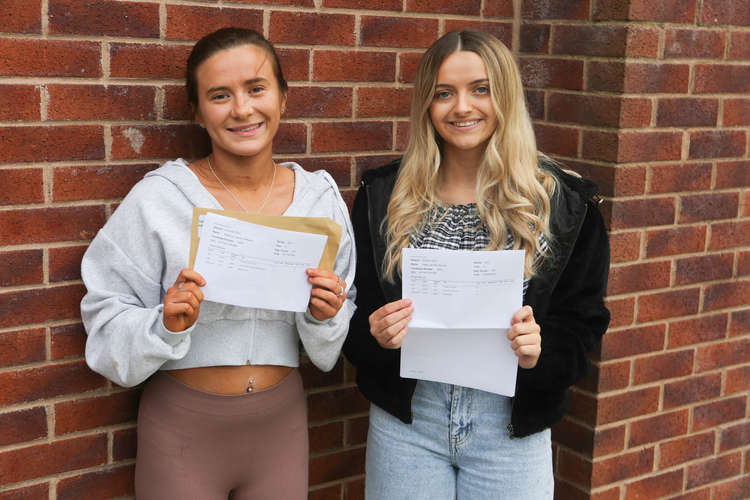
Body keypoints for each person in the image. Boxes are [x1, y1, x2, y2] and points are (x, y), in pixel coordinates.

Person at [80, 27, 355, 499]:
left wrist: (324, 315)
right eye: (220, 95)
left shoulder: (319, 202)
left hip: (280, 427)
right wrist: (164, 324)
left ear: (283, 98)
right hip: (183, 432)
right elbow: (105, 317)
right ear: (198, 113)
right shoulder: (160, 200)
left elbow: (337, 327)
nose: (242, 109)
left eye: (256, 88)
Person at [343, 30, 610, 499]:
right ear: (426, 104)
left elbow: (584, 322)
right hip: (410, 420)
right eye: (444, 93)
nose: (461, 107)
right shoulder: (382, 196)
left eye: (480, 89)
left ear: (505, 96)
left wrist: (539, 351)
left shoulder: (564, 203)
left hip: (509, 426)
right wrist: (376, 335)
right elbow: (354, 312)